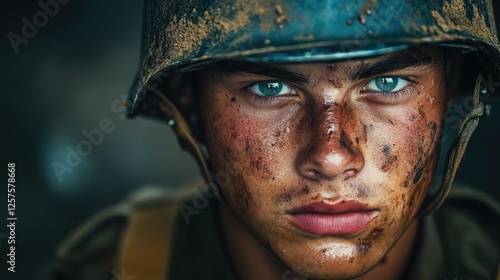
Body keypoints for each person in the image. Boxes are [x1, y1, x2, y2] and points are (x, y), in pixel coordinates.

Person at [46, 0, 500, 279]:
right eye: (270, 89)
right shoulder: (112, 266)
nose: (331, 157)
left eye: (386, 84)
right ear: (188, 102)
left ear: (453, 84)